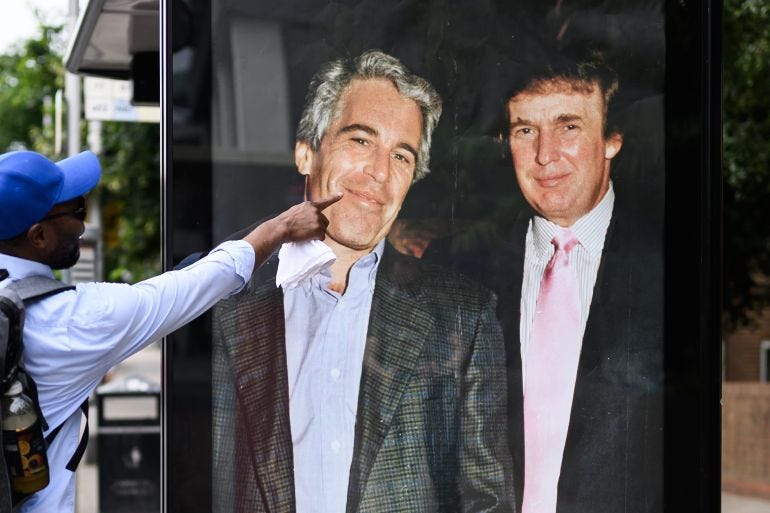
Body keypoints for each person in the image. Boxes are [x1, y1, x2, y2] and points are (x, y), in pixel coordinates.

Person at [210, 50, 513, 513]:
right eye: (360, 141)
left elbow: (486, 501)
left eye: (402, 156)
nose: (380, 172)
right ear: (306, 152)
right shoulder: (220, 296)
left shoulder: (462, 317)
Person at [0, 149, 338, 513]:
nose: (84, 225)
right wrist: (281, 228)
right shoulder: (68, 320)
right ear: (37, 236)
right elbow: (190, 289)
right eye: (77, 210)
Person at [495, 54, 664, 512]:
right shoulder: (463, 268)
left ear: (612, 139)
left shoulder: (667, 272)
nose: (545, 154)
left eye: (568, 126)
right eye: (525, 130)